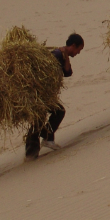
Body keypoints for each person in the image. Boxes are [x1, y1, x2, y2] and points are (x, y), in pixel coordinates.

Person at [24, 33, 84, 161]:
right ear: (74, 45)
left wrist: (66, 56)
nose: (78, 53)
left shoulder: (62, 55)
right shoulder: (56, 54)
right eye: (79, 49)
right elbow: (43, 72)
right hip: (39, 93)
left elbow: (68, 72)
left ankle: (35, 148)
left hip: (43, 93)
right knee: (53, 113)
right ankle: (43, 141)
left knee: (43, 116)